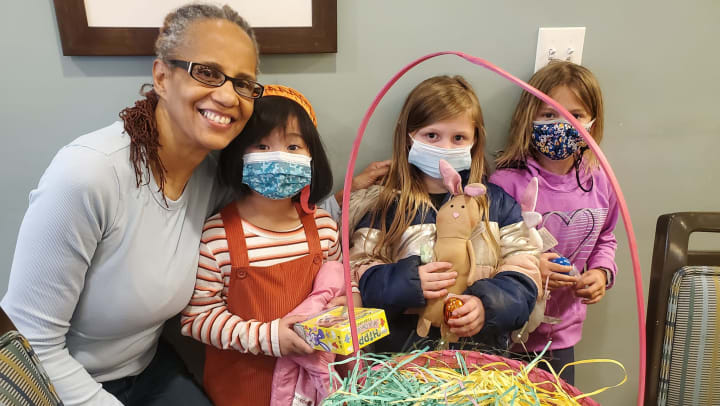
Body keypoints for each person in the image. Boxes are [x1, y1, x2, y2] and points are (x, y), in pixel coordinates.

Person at [1, 4, 261, 405]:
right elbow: (33, 341)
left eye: (244, 83)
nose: (228, 95)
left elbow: (269, 216)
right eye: (207, 72)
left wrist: (352, 198)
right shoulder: (88, 174)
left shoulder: (210, 179)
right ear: (161, 76)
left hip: (147, 370)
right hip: (56, 380)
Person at [180, 85, 353, 406]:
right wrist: (270, 337)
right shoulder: (217, 236)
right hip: (245, 389)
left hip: (316, 388)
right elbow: (197, 319)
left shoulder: (325, 229)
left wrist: (347, 302)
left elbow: (344, 283)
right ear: (237, 154)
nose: (278, 157)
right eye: (261, 145)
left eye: (293, 146)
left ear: (312, 157)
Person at [349, 75, 542, 353]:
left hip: (480, 361)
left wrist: (486, 305)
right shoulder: (388, 205)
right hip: (402, 362)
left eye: (459, 138)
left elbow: (525, 270)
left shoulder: (497, 204)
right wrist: (408, 282)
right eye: (432, 136)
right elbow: (358, 270)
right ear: (409, 137)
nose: (445, 148)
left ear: (475, 141)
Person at [490, 61, 619, 385]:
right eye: (549, 115)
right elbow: (486, 250)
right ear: (528, 118)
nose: (561, 124)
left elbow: (606, 236)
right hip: (507, 330)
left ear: (592, 121)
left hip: (561, 335)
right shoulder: (508, 182)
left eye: (575, 115)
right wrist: (530, 269)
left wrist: (601, 273)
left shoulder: (600, 180)